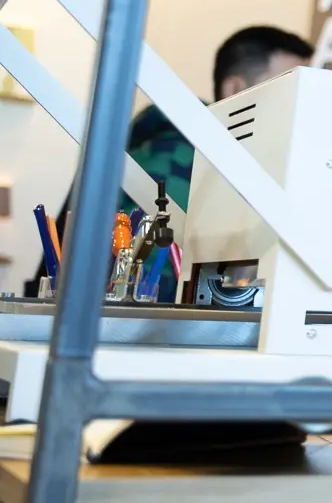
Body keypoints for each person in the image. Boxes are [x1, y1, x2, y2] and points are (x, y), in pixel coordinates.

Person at [30, 25, 314, 300]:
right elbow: (149, 292)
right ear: (235, 88)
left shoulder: (206, 156)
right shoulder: (183, 158)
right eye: (288, 88)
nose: (299, 105)